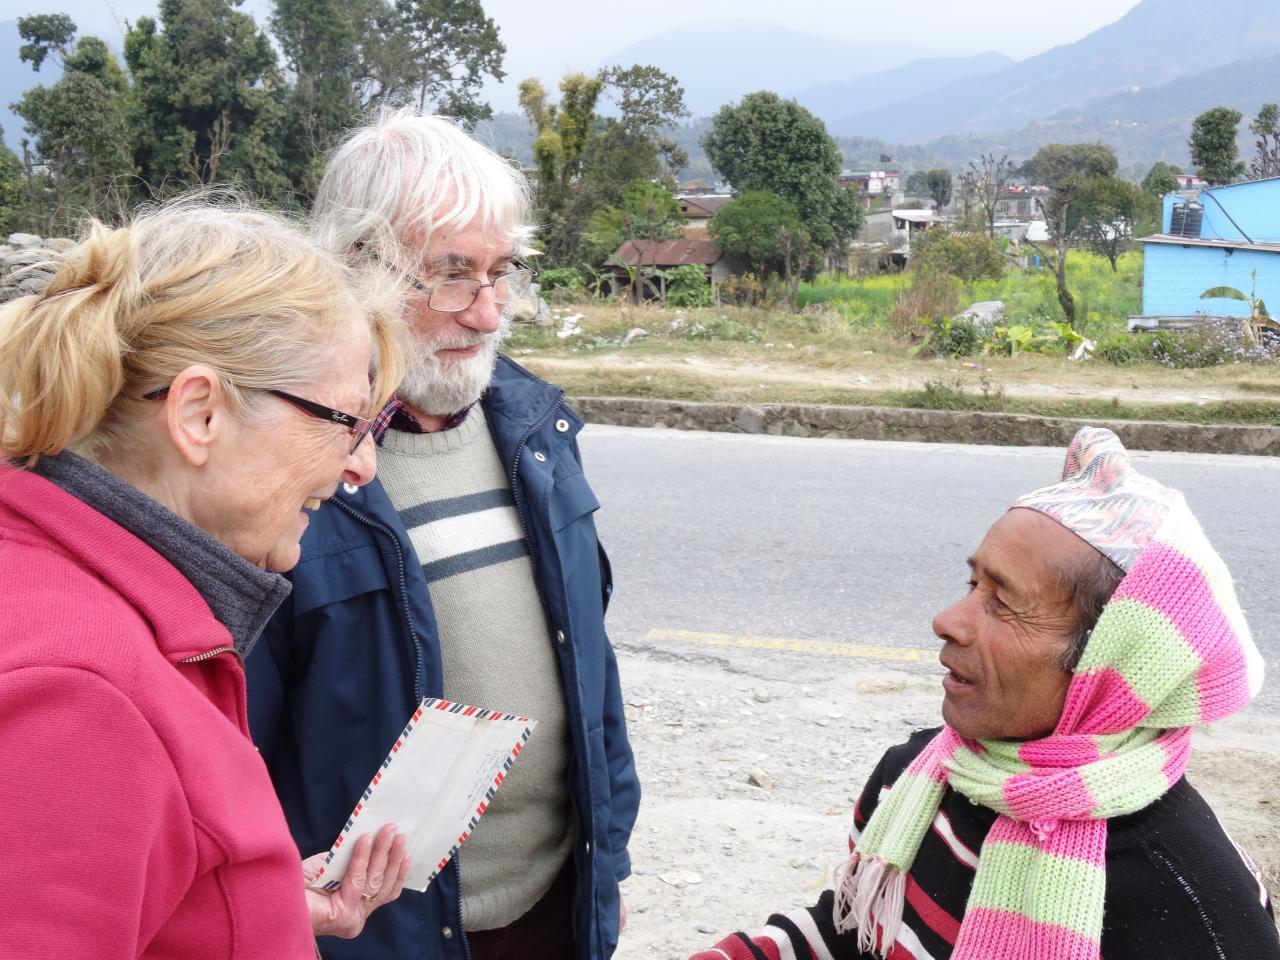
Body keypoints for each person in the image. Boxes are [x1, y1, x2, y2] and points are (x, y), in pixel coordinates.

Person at [246, 107, 639, 960]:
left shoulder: (537, 431)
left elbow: (589, 656)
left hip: (554, 906)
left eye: (503, 273)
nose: (489, 312)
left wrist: (611, 836)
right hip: (378, 934)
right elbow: (235, 743)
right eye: (454, 275)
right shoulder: (290, 463)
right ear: (358, 268)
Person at [0, 199, 415, 959]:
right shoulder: (80, 696)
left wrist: (245, 903)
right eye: (346, 421)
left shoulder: (81, 595)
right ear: (198, 414)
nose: (361, 464)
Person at [694, 427, 1280, 960]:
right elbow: (855, 932)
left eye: (1003, 602)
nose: (947, 620)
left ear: (1108, 666)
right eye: (972, 583)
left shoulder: (1192, 905)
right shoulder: (919, 778)